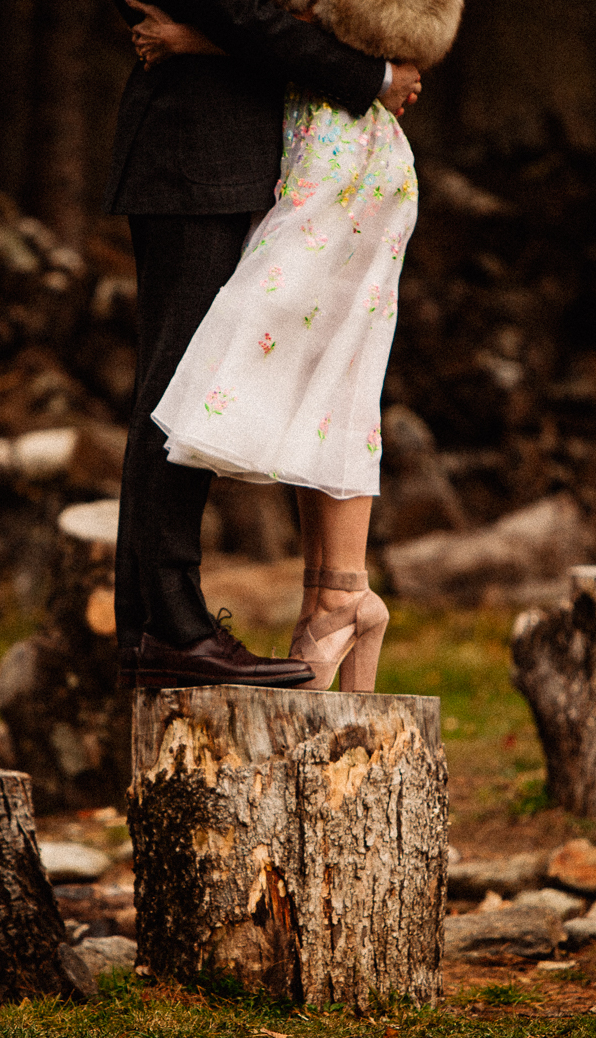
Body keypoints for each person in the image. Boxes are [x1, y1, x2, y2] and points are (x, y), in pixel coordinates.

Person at [131, 0, 459, 692]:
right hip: (310, 149)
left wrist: (202, 38)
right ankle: (333, 598)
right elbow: (271, 18)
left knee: (312, 371)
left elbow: (334, 23)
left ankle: (334, 600)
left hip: (340, 154)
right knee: (319, 372)